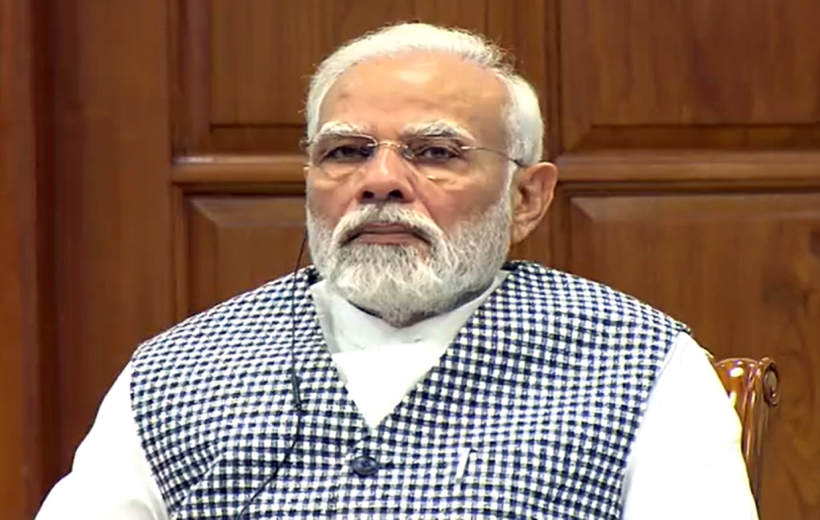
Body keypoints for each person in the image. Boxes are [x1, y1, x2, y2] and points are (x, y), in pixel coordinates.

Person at [35, 22, 757, 519]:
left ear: (528, 197)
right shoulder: (179, 370)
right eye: (346, 152)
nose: (380, 180)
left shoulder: (638, 362)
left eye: (435, 152)